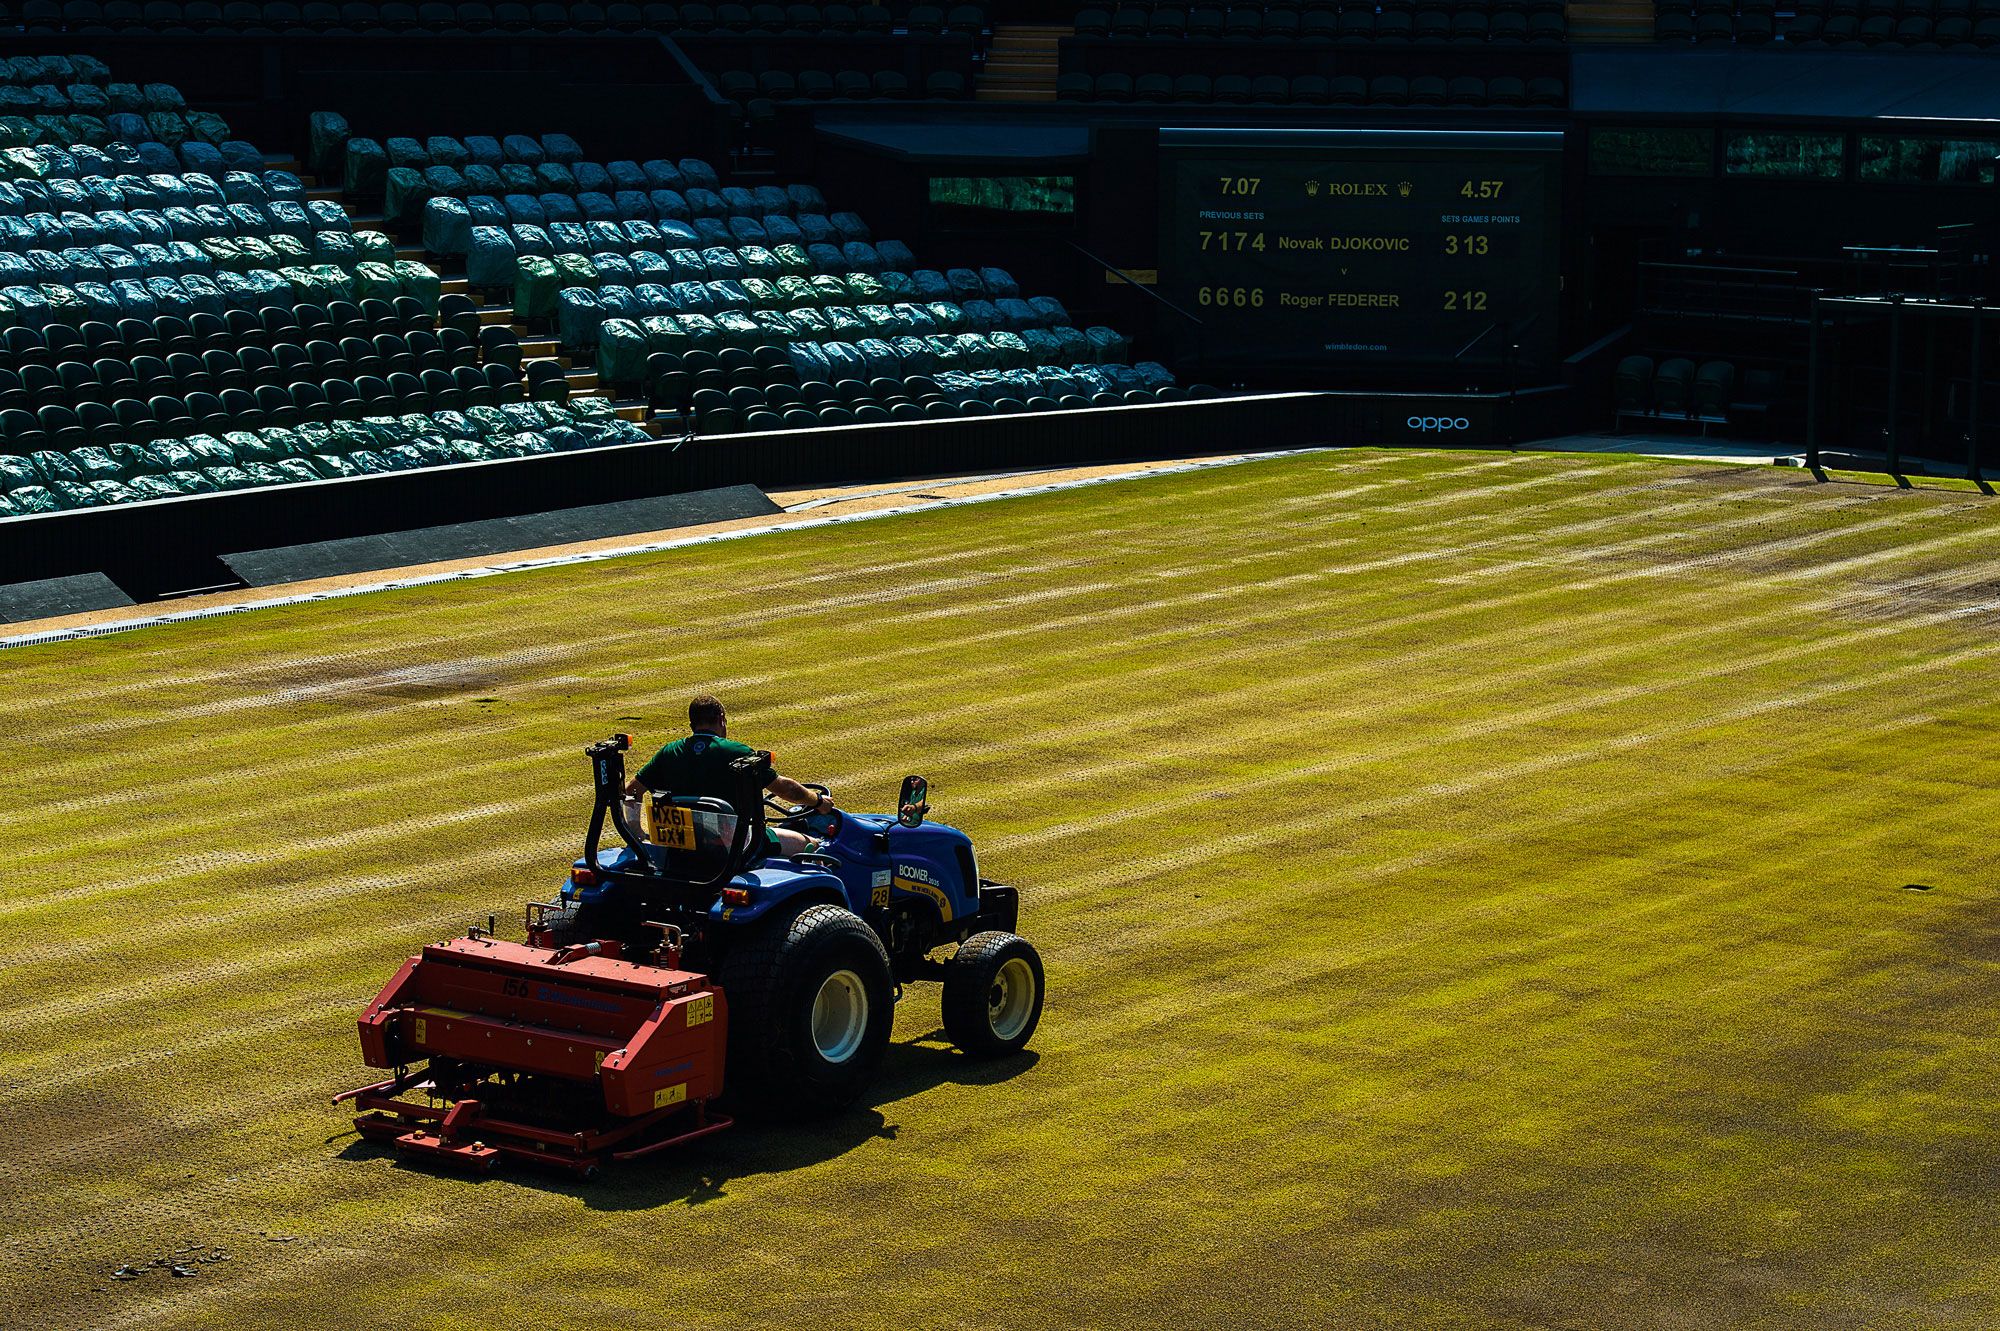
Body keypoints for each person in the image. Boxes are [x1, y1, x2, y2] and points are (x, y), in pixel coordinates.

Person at [623, 694, 832, 860]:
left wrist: (637, 834)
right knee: (812, 844)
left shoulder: (669, 752)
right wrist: (818, 801)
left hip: (680, 846)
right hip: (731, 846)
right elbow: (788, 790)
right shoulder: (736, 752)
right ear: (722, 719)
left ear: (692, 725)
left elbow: (631, 791)